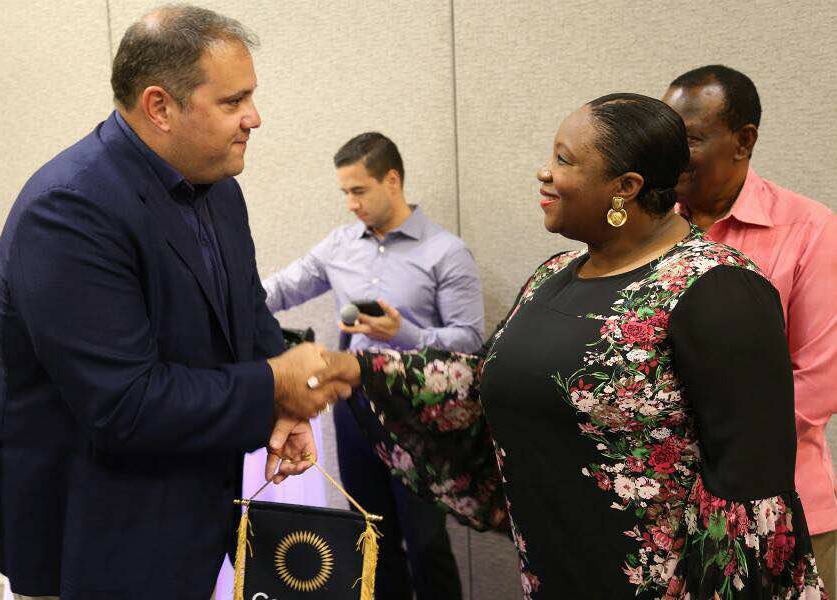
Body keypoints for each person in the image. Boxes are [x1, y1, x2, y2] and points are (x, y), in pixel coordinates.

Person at [297, 93, 828, 598]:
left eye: (564, 159)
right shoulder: (553, 275)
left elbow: (749, 491)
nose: (543, 172)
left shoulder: (718, 288)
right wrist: (362, 370)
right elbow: (482, 383)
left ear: (625, 187)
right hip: (555, 573)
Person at [0, 6, 344, 599]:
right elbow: (125, 404)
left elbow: (246, 316)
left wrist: (284, 405)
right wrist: (274, 384)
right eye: (233, 101)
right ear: (159, 107)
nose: (254, 117)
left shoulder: (218, 188)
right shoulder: (68, 210)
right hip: (94, 542)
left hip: (187, 522)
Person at [263, 132, 484, 599]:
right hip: (354, 408)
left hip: (419, 412)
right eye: (345, 192)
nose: (350, 204)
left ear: (392, 180)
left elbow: (470, 342)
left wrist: (404, 333)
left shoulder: (446, 252)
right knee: (370, 538)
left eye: (359, 191)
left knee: (426, 542)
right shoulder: (339, 245)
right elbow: (279, 290)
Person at [661, 64, 837, 598]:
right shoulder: (651, 225)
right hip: (663, 511)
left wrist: (705, 446)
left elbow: (819, 380)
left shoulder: (810, 230)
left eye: (689, 139)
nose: (671, 154)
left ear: (744, 141)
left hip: (781, 506)